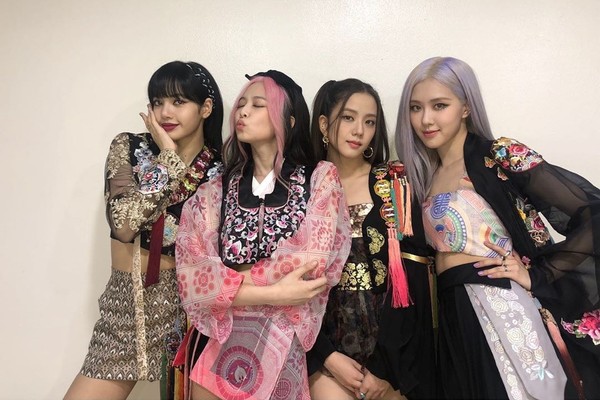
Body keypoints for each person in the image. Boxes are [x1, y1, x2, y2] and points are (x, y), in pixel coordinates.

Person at [395, 56, 600, 399]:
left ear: (465, 107)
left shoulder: (498, 156)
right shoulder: (422, 176)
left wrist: (538, 274)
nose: (425, 119)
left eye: (439, 105)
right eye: (416, 108)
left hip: (499, 305)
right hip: (451, 310)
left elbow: (592, 213)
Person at [175, 70, 351, 400]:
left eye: (258, 105)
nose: (242, 111)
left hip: (280, 338)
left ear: (290, 120)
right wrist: (278, 293)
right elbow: (192, 278)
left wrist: (228, 282)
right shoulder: (215, 191)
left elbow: (311, 263)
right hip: (219, 339)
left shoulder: (319, 179)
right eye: (241, 104)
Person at [64, 61, 224, 400]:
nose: (165, 112)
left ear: (206, 108)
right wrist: (167, 159)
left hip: (190, 310)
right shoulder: (129, 148)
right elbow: (123, 225)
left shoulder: (221, 168)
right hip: (128, 306)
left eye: (178, 101)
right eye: (157, 102)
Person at [306, 79, 436, 400]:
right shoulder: (303, 188)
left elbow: (413, 280)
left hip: (391, 345)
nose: (359, 131)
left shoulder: (393, 182)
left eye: (369, 122)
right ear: (323, 124)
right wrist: (327, 357)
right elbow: (289, 283)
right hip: (325, 345)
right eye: (348, 118)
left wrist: (385, 369)